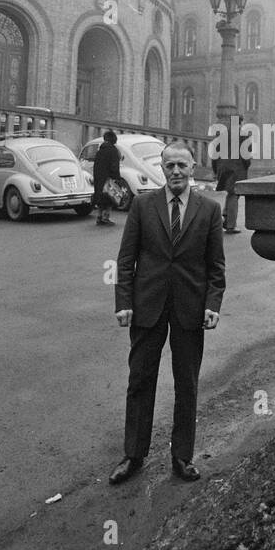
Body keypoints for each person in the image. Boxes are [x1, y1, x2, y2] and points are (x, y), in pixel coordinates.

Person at [109, 141, 225, 485]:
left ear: (193, 169)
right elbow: (125, 259)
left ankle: (182, 456)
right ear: (161, 168)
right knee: (140, 380)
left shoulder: (209, 210)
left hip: (190, 308)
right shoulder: (144, 206)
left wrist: (212, 305)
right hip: (147, 306)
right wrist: (123, 302)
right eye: (170, 165)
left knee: (186, 383)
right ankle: (133, 454)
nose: (176, 171)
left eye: (182, 166)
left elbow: (215, 265)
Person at [212, 115, 252, 234]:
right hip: (237, 168)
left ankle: (225, 215)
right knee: (234, 194)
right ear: (241, 122)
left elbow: (214, 154)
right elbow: (246, 155)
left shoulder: (222, 135)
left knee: (230, 192)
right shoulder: (243, 135)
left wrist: (215, 169)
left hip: (222, 167)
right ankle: (231, 226)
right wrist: (246, 165)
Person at [92, 130, 123, 226]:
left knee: (101, 199)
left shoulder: (100, 151)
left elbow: (96, 166)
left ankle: (99, 217)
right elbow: (114, 166)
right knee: (110, 198)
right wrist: (117, 178)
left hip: (99, 179)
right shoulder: (113, 151)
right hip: (109, 179)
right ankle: (106, 217)